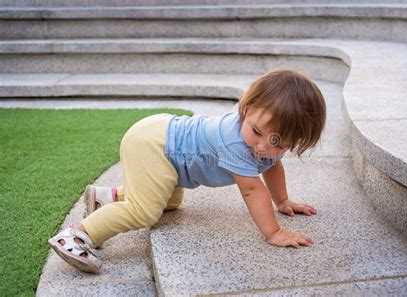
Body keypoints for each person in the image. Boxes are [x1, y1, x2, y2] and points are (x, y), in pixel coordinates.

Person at [48, 69, 327, 274]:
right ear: (247, 108)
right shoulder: (234, 141)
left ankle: (107, 198)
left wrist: (282, 200)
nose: (263, 147)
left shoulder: (263, 145)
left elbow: (272, 166)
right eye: (256, 131)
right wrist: (274, 232)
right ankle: (78, 235)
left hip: (167, 149)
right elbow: (252, 189)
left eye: (279, 143)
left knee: (170, 203)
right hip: (156, 146)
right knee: (145, 211)